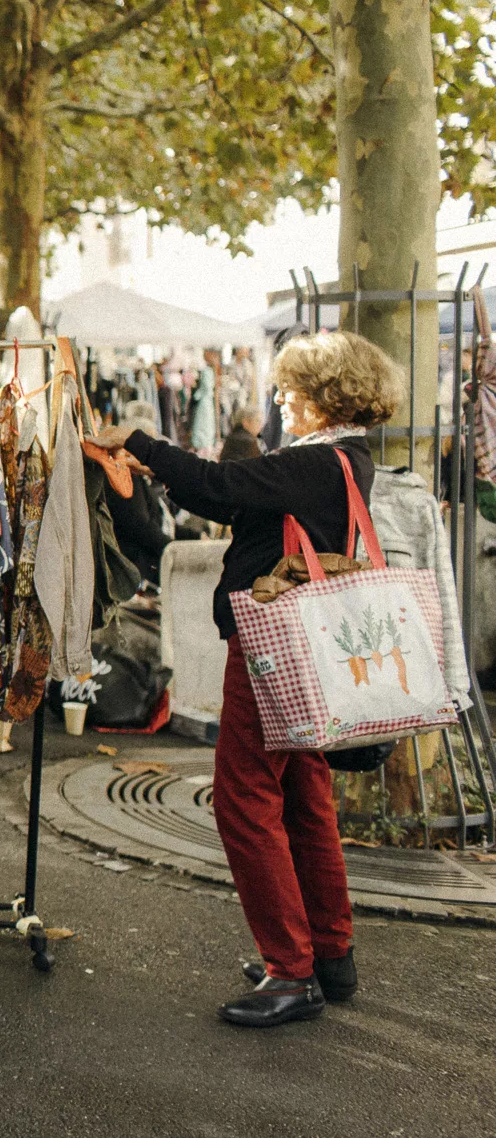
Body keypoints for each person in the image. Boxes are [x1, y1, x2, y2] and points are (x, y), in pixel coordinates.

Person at [93, 330, 402, 1028]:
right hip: (305, 642)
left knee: (243, 798)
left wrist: (140, 440)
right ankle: (328, 952)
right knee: (303, 795)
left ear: (326, 396)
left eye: (291, 388)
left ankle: (289, 969)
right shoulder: (341, 460)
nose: (280, 399)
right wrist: (157, 469)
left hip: (275, 643)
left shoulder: (316, 462)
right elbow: (236, 503)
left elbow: (222, 484)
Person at [106, 400, 199, 587]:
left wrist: (192, 537)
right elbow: (141, 526)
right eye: (151, 445)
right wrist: (174, 549)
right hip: (139, 570)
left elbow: (156, 520)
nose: (157, 451)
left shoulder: (137, 476)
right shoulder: (126, 476)